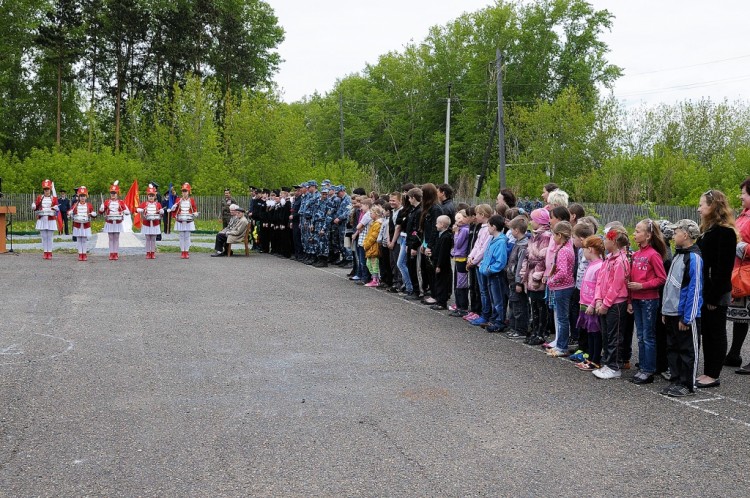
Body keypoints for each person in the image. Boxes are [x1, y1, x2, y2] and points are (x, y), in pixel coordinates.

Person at [695, 190, 736, 387]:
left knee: (716, 332)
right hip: (706, 291)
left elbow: (723, 269)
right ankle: (708, 370)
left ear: (713, 206)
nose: (699, 208)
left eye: (702, 204)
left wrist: (712, 297)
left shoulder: (725, 232)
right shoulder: (708, 230)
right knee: (708, 332)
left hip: (716, 293)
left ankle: (713, 374)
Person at [661, 219, 703, 397]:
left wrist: (688, 317)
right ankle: (677, 379)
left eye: (676, 232)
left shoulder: (694, 258)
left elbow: (695, 290)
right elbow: (670, 286)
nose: (673, 235)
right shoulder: (678, 255)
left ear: (685, 235)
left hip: (684, 315)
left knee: (687, 350)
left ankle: (687, 384)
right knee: (673, 348)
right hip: (671, 312)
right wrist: (665, 310)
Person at [627, 219, 668, 384]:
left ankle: (648, 370)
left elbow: (661, 278)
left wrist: (642, 286)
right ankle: (643, 367)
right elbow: (630, 280)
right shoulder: (635, 255)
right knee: (641, 335)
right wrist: (630, 300)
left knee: (648, 336)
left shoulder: (653, 255)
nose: (634, 234)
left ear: (648, 235)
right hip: (636, 300)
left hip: (649, 300)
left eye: (638, 231)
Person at [592, 225, 630, 379]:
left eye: (606, 239)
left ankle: (614, 366)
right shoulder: (608, 259)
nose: (604, 242)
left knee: (615, 335)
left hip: (616, 304)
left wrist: (606, 303)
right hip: (605, 303)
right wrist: (598, 299)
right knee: (606, 335)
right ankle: (607, 363)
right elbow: (600, 281)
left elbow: (617, 285)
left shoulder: (621, 261)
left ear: (613, 241)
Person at [546, 221, 576, 356]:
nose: (553, 238)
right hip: (566, 286)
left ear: (559, 235)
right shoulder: (569, 247)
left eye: (554, 235)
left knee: (562, 318)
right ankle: (560, 344)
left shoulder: (564, 251)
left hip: (562, 287)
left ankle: (562, 346)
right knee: (563, 317)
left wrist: (551, 280)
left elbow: (562, 272)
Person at [575, 235, 605, 371]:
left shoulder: (599, 266)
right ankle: (590, 358)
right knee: (589, 332)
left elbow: (599, 288)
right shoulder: (591, 265)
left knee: (595, 333)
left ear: (591, 249)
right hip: (585, 304)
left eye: (585, 248)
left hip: (591, 305)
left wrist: (593, 304)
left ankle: (595, 360)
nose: (584, 251)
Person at [729, 178, 750, 373]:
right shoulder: (743, 216)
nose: (740, 196)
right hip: (739, 272)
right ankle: (734, 353)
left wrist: (744, 248)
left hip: (749, 272)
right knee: (741, 316)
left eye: (743, 193)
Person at [478, 214, 509, 333]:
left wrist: (489, 269)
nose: (488, 228)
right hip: (489, 274)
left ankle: (499, 321)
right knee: (493, 298)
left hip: (496, 275)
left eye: (489, 226)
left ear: (494, 227)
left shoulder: (500, 242)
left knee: (498, 299)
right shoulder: (493, 240)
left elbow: (500, 261)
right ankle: (494, 319)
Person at [466, 204, 494, 326]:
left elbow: (484, 248)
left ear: (482, 215)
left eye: (477, 214)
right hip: (477, 263)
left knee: (484, 291)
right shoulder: (481, 228)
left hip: (481, 263)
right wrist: (470, 257)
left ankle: (486, 314)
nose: (475, 216)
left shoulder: (488, 230)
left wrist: (474, 260)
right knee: (480, 290)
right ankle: (483, 313)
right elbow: (477, 245)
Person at [505, 216, 529, 339]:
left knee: (519, 306)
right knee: (513, 304)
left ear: (516, 230)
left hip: (516, 280)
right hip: (512, 280)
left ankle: (520, 329)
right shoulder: (517, 243)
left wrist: (519, 282)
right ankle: (513, 327)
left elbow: (521, 265)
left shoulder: (523, 246)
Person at [99, 181, 130, 260]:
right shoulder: (106, 202)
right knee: (110, 238)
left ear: (117, 194)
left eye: (115, 193)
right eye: (112, 193)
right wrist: (101, 208)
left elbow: (127, 211)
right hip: (109, 222)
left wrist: (125, 211)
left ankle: (116, 253)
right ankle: (111, 253)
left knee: (116, 237)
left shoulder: (121, 202)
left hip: (117, 222)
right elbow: (101, 212)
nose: (113, 195)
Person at [449, 210, 470, 317]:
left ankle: (463, 307)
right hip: (458, 258)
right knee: (457, 283)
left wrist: (456, 233)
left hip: (462, 259)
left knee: (461, 284)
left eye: (462, 218)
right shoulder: (462, 229)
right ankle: (458, 305)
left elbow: (458, 243)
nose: (459, 221)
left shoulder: (464, 230)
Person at [430, 215, 454, 310]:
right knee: (438, 282)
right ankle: (439, 300)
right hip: (437, 262)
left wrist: (439, 265)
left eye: (437, 223)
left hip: (443, 265)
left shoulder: (446, 237)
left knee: (442, 283)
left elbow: (443, 253)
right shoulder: (440, 235)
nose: (436, 225)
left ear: (442, 224)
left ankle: (442, 302)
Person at [32, 179, 59, 259]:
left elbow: (57, 208)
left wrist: (56, 208)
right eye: (45, 190)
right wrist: (33, 206)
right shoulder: (40, 198)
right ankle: (45, 252)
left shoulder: (53, 198)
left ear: (50, 190)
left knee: (50, 236)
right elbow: (36, 208)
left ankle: (50, 252)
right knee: (43, 236)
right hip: (42, 218)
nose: (46, 191)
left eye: (47, 189)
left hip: (51, 219)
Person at [171, 182, 198, 259]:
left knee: (187, 236)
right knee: (181, 236)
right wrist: (173, 207)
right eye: (183, 191)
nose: (184, 193)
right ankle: (182, 252)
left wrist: (195, 213)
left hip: (188, 220)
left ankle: (187, 251)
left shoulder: (191, 200)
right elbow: (175, 209)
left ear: (189, 192)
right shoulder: (178, 200)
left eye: (185, 191)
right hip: (180, 220)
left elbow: (194, 209)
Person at [137, 185, 164, 259]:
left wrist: (162, 211)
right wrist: (140, 210)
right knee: (148, 238)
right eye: (150, 195)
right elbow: (138, 209)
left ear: (155, 196)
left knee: (153, 239)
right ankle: (148, 253)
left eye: (152, 195)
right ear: (147, 196)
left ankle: (153, 252)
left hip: (155, 223)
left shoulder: (158, 204)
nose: (151, 197)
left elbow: (161, 212)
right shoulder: (144, 204)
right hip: (146, 223)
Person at [69, 186, 96, 261]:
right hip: (77, 224)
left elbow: (93, 214)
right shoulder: (75, 205)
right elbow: (69, 212)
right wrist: (70, 213)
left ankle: (84, 254)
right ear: (79, 197)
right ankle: (80, 254)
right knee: (79, 239)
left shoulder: (89, 205)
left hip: (85, 224)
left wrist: (93, 214)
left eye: (84, 196)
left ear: (86, 196)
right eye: (81, 196)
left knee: (84, 239)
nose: (82, 198)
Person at [363, 205, 384, 287]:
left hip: (374, 247)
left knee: (374, 264)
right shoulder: (373, 223)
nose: (370, 215)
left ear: (376, 214)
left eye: (371, 213)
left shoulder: (378, 224)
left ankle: (375, 279)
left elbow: (373, 236)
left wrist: (366, 244)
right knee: (369, 263)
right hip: (370, 247)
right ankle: (373, 278)